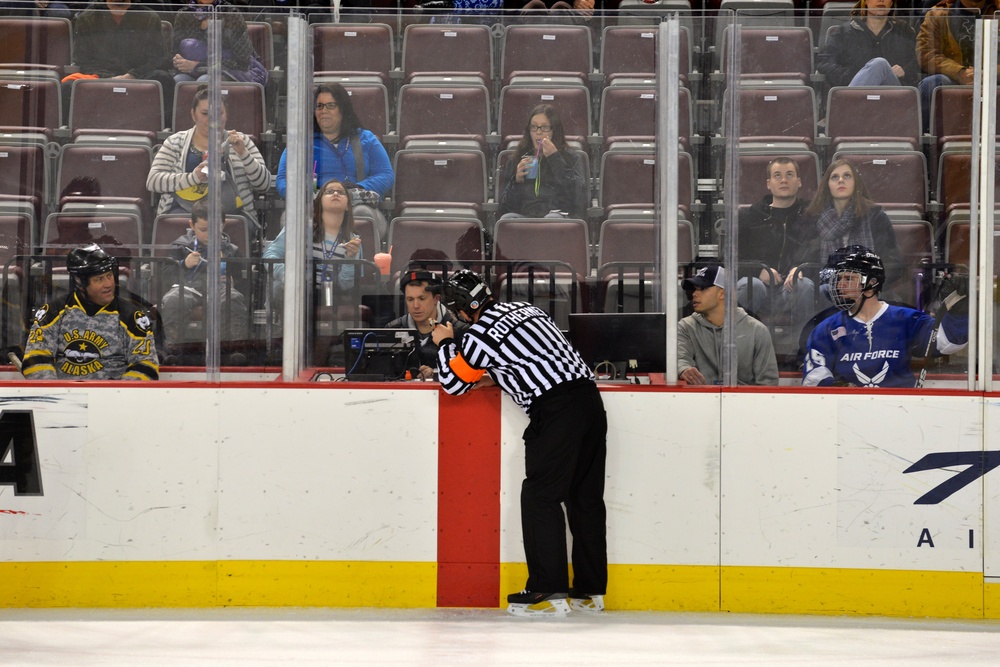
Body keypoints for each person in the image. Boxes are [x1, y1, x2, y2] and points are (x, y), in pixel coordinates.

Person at [432, 270, 607, 617]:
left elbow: (452, 382)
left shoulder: (481, 332)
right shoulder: (528, 309)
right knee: (583, 498)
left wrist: (445, 342)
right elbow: (530, 359)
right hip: (590, 403)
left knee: (539, 496)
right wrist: (493, 376)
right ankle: (589, 593)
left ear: (461, 309)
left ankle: (548, 590)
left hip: (554, 412)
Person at [803, 246, 969, 387]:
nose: (839, 285)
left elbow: (947, 343)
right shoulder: (826, 329)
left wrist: (958, 310)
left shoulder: (906, 319)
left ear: (871, 282)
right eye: (838, 279)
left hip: (901, 409)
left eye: (848, 278)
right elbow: (813, 378)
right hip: (847, 413)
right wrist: (843, 393)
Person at [21, 243, 159, 380]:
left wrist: (117, 397)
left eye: (109, 276)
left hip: (113, 398)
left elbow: (146, 365)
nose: (108, 284)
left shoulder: (132, 317)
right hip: (65, 398)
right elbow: (35, 360)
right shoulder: (52, 313)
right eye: (99, 279)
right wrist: (59, 394)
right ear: (80, 283)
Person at [275, 83, 393, 240]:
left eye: (330, 105)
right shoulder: (301, 142)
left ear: (342, 109)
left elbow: (386, 174)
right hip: (313, 203)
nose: (324, 111)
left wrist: (358, 189)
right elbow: (283, 179)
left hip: (355, 204)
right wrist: (304, 195)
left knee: (362, 214)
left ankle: (360, 263)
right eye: (319, 106)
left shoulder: (366, 138)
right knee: (296, 217)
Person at [146, 85, 270, 231]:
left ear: (226, 114)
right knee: (174, 227)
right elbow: (153, 181)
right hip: (183, 212)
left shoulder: (242, 141)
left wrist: (243, 154)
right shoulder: (175, 142)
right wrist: (193, 178)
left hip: (232, 213)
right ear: (193, 115)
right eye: (205, 114)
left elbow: (264, 184)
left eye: (219, 113)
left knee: (239, 228)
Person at [795, 158, 904, 293]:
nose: (841, 180)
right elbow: (805, 263)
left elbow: (892, 261)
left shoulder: (875, 217)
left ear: (856, 183)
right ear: (827, 186)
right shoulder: (813, 219)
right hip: (825, 289)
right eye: (835, 177)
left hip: (868, 287)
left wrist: (868, 281)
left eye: (847, 176)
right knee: (827, 290)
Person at [159, 199, 249, 357]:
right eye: (203, 229)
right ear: (191, 225)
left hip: (219, 290)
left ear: (223, 224)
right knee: (174, 299)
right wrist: (183, 264)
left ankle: (235, 349)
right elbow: (165, 277)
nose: (209, 234)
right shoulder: (180, 247)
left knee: (233, 297)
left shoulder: (231, 251)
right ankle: (172, 349)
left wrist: (234, 283)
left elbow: (246, 281)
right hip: (188, 288)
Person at [62, 1, 174, 122]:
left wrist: (132, 75)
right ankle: (66, 136)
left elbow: (158, 58)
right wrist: (108, 78)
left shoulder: (149, 17)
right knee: (68, 87)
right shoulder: (86, 18)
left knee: (164, 79)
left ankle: (164, 133)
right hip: (99, 76)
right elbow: (82, 60)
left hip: (139, 76)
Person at [737, 157, 815, 325]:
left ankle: (804, 347)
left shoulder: (811, 216)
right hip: (760, 288)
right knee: (750, 285)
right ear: (768, 183)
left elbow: (819, 254)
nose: (784, 180)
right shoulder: (749, 217)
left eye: (789, 175)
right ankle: (741, 345)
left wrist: (801, 270)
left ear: (799, 181)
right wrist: (758, 271)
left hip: (792, 291)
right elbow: (731, 261)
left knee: (804, 285)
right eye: (777, 176)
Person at [678, 264, 779, 386]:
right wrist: (683, 368)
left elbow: (768, 383)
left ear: (722, 294)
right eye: (694, 289)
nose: (694, 294)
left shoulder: (757, 330)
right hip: (700, 400)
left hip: (745, 402)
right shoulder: (686, 327)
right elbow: (680, 358)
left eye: (702, 289)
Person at [262, 178, 363, 294]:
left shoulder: (353, 241)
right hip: (296, 294)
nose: (335, 193)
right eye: (329, 192)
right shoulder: (298, 228)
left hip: (330, 299)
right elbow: (270, 255)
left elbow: (345, 285)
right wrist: (287, 275)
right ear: (318, 203)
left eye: (341, 192)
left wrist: (350, 258)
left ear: (348, 206)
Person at [916, 0, 998, 130]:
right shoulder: (938, 14)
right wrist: (960, 72)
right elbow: (926, 54)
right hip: (952, 79)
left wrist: (987, 73)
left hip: (992, 79)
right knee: (931, 83)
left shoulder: (997, 12)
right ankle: (927, 143)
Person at [498, 104, 588, 221]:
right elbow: (505, 208)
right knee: (506, 219)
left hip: (558, 216)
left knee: (551, 219)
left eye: (544, 127)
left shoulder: (571, 158)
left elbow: (579, 199)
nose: (538, 132)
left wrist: (555, 158)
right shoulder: (517, 159)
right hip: (526, 217)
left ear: (554, 131)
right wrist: (516, 181)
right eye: (534, 127)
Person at [817, 0, 921, 87]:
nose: (881, 0)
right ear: (865, 1)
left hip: (892, 92)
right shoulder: (844, 32)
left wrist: (905, 70)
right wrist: (854, 75)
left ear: (891, 3)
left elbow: (918, 61)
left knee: (880, 64)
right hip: (853, 86)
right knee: (878, 64)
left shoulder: (903, 30)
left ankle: (849, 107)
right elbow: (824, 62)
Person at [385, 269, 465, 380]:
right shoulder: (392, 329)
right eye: (410, 299)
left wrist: (436, 374)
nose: (415, 305)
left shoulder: (460, 331)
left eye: (422, 299)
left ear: (436, 299)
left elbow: (467, 376)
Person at [170, 0, 267, 86]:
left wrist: (198, 66)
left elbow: (242, 62)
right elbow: (176, 51)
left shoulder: (230, 14)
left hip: (227, 72)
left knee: (204, 80)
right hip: (191, 71)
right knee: (178, 80)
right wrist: (178, 61)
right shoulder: (184, 14)